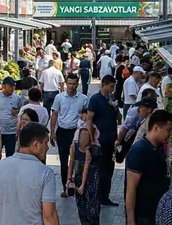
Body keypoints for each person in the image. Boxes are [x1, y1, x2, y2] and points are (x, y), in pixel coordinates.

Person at [49, 72, 89, 191]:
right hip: (62, 131)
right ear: (66, 83)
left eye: (74, 84)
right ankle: (64, 186)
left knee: (77, 160)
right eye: (70, 83)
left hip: (76, 132)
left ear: (77, 84)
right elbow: (54, 114)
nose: (72, 86)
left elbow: (86, 116)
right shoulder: (59, 97)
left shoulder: (83, 99)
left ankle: (77, 184)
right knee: (63, 159)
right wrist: (52, 132)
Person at [68, 110, 102, 225]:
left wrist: (82, 184)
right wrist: (69, 178)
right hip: (78, 179)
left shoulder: (95, 149)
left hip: (91, 181)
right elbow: (72, 161)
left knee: (92, 210)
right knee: (81, 208)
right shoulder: (75, 146)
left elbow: (88, 164)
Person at [85, 76, 120, 207]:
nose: (112, 89)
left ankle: (105, 195)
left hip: (111, 140)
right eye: (110, 86)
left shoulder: (112, 99)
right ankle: (99, 195)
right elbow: (89, 119)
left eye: (113, 87)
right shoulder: (95, 100)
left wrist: (116, 109)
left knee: (109, 168)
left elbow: (119, 118)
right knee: (101, 168)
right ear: (103, 85)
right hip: (100, 140)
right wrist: (91, 136)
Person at [0, 77, 24, 157]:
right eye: (10, 86)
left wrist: (16, 112)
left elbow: (20, 112)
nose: (12, 88)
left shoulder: (17, 98)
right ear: (3, 86)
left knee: (10, 155)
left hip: (11, 131)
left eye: (14, 86)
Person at [116, 96, 157, 162]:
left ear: (149, 109)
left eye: (141, 107)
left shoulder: (150, 122)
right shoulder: (143, 118)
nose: (138, 109)